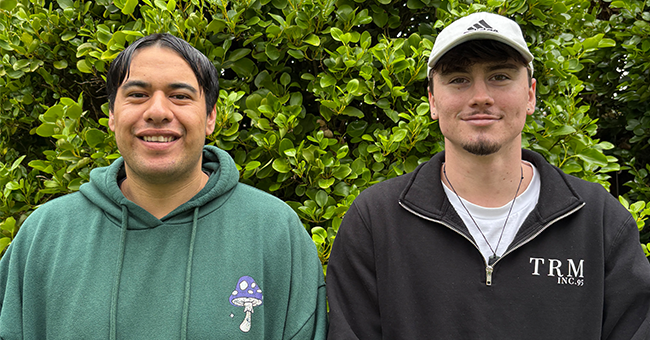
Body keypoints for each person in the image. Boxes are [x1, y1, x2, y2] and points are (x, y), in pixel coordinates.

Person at [326, 12, 650, 339]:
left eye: (500, 76)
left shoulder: (600, 222)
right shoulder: (376, 221)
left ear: (530, 94)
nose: (481, 96)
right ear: (433, 100)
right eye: (458, 79)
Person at [0, 33, 327, 339]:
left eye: (180, 96)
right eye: (138, 95)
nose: (157, 112)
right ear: (112, 115)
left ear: (211, 116)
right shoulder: (46, 236)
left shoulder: (274, 232)